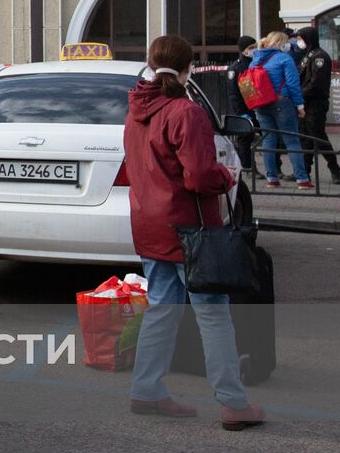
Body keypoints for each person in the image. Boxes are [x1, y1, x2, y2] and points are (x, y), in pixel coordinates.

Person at [124, 34, 264, 430]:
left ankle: (146, 389)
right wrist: (227, 175)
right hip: (190, 227)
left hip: (149, 223)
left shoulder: (135, 111)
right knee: (214, 315)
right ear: (190, 69)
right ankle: (233, 403)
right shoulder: (186, 112)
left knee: (162, 310)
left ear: (151, 64)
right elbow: (200, 175)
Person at [249, 31, 310, 189]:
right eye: (286, 42)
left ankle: (271, 178)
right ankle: (302, 179)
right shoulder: (284, 58)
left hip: (261, 105)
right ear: (280, 43)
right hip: (281, 103)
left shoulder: (255, 60)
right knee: (292, 141)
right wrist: (300, 105)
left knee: (269, 140)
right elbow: (292, 84)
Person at [296, 26, 340, 184]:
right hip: (305, 102)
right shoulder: (308, 55)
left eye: (300, 38)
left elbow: (316, 84)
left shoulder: (319, 57)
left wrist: (299, 94)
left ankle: (335, 169)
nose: (298, 42)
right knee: (305, 138)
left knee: (318, 136)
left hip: (316, 103)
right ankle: (305, 172)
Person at [225, 36, 258, 172]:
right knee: (244, 139)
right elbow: (233, 94)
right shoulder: (236, 68)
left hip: (256, 107)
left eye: (255, 47)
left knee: (255, 138)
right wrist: (241, 113)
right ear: (243, 50)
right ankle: (246, 167)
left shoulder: (255, 64)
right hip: (244, 109)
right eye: (251, 48)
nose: (254, 50)